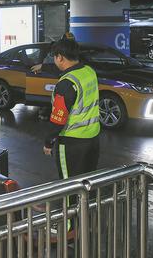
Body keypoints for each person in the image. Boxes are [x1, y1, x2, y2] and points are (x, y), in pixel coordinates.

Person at [42, 38, 100, 233]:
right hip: (92, 138)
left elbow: (58, 118)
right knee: (86, 184)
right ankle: (86, 222)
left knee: (68, 186)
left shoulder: (66, 84)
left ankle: (67, 227)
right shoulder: (88, 72)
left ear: (60, 57)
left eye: (54, 57)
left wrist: (48, 141)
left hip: (71, 142)